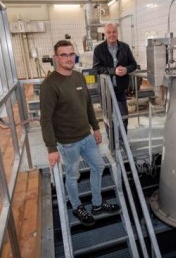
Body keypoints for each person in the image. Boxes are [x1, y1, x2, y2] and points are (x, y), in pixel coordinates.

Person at [40, 40, 120, 227]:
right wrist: (52, 148)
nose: (69, 58)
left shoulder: (78, 77)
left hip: (87, 136)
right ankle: (77, 206)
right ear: (56, 58)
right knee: (73, 175)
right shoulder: (49, 85)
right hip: (68, 143)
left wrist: (96, 127)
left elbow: (87, 105)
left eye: (71, 54)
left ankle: (97, 204)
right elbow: (45, 119)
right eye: (64, 55)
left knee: (99, 166)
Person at [92, 22, 137, 137]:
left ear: (117, 32)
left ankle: (123, 141)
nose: (112, 34)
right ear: (105, 34)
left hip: (120, 89)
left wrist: (126, 70)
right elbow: (96, 68)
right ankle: (112, 142)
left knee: (123, 117)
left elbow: (133, 64)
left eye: (114, 32)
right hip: (106, 90)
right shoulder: (98, 49)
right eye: (109, 32)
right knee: (109, 117)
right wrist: (113, 71)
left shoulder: (124, 47)